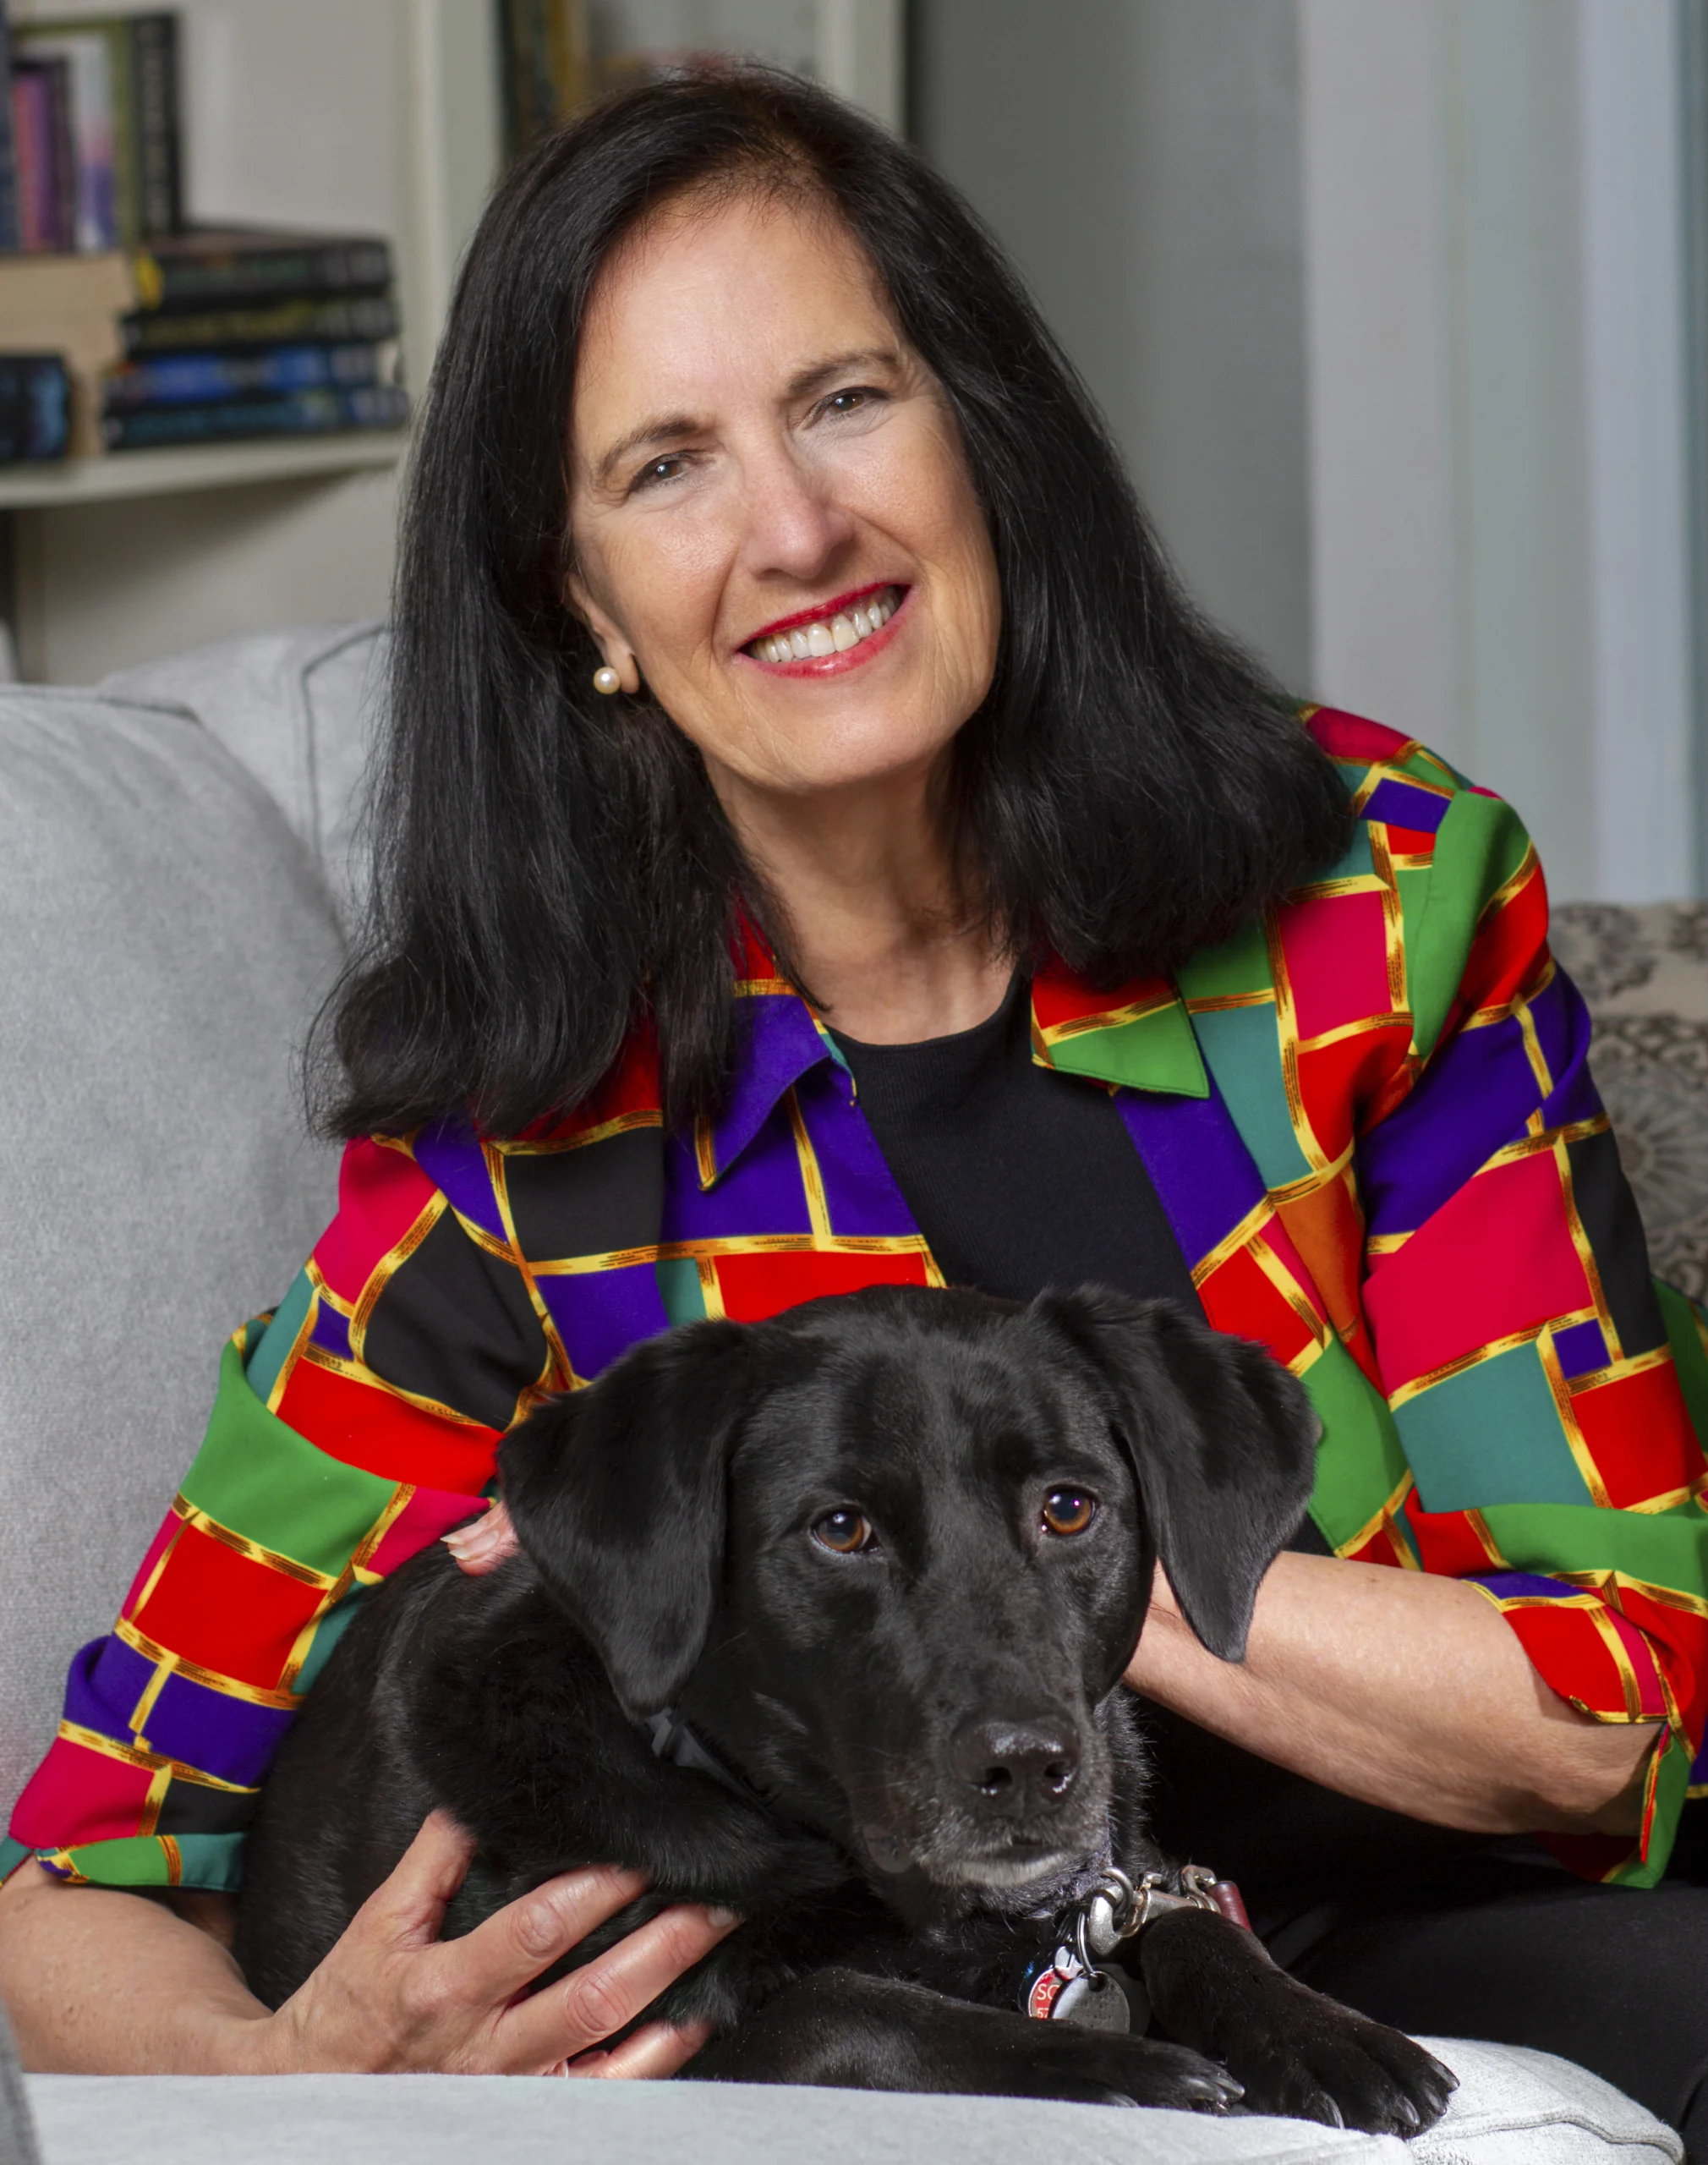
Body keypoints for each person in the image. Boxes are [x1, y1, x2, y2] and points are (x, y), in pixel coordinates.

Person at [3, 64, 1705, 2138]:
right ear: (580, 608)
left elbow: (1608, 1715)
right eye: (665, 466)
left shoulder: (1373, 907)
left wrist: (1060, 1532)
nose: (793, 528)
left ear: (976, 423)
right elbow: (80, 1868)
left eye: (843, 401)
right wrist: (294, 2071)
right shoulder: (516, 1152)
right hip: (911, 2009)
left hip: (1423, 1918)